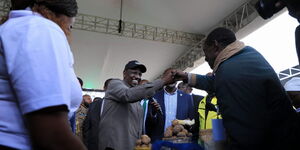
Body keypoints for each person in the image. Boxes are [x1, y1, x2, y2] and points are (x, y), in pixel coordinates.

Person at [175, 27, 300, 150]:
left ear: (215, 45)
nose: (206, 58)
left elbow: (243, 135)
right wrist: (187, 77)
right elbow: (216, 82)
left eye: (205, 52)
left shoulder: (229, 72)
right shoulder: (246, 55)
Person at [0, 0, 86, 150]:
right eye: (70, 26)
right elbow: (52, 135)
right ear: (62, 16)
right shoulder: (39, 28)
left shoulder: (23, 26)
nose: (68, 33)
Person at [98, 60, 175, 150]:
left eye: (140, 74)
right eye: (134, 73)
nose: (137, 77)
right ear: (124, 73)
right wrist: (163, 80)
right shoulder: (115, 84)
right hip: (114, 146)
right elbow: (128, 95)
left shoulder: (137, 97)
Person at [146, 74, 194, 143]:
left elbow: (192, 120)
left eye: (174, 77)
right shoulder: (154, 97)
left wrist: (185, 123)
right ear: (164, 79)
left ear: (177, 80)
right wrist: (153, 113)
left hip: (180, 141)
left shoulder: (187, 98)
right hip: (159, 141)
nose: (172, 79)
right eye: (169, 77)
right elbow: (148, 122)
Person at [83, 79, 112, 150]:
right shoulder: (94, 105)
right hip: (94, 145)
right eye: (110, 87)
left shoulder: (122, 107)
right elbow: (87, 126)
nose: (112, 90)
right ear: (104, 88)